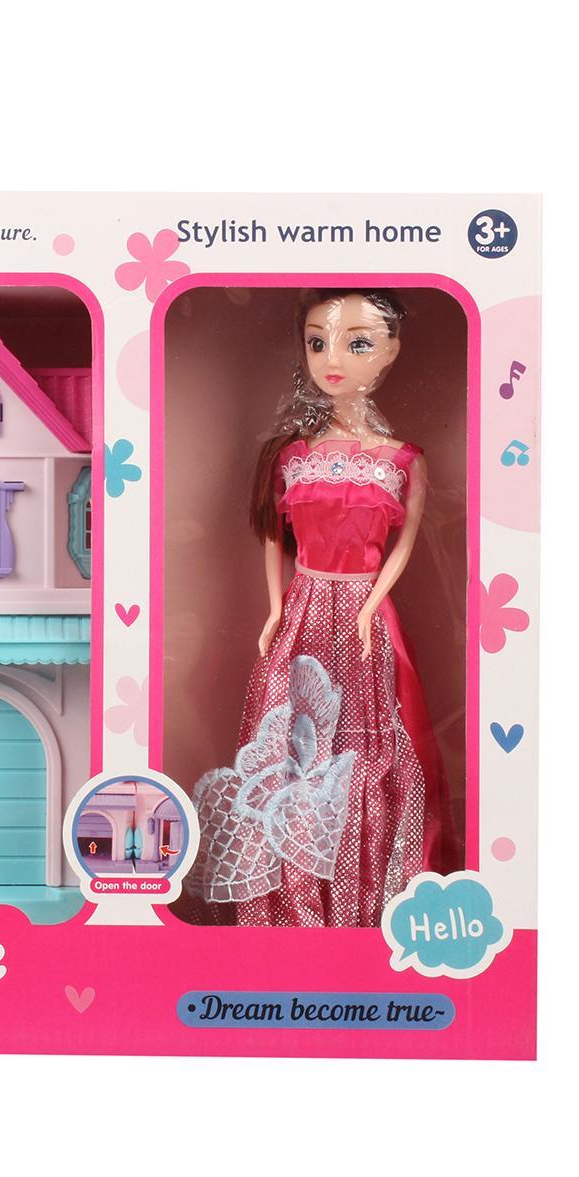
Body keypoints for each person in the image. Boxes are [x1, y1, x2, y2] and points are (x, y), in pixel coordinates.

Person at [188, 290, 448, 927]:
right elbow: (274, 538)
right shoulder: (292, 455)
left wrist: (370, 607)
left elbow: (404, 547)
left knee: (366, 750)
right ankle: (286, 910)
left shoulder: (403, 460)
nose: (333, 359)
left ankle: (365, 907)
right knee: (289, 748)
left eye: (358, 343)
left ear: (390, 351)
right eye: (317, 341)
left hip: (364, 615)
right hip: (302, 609)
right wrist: (274, 609)